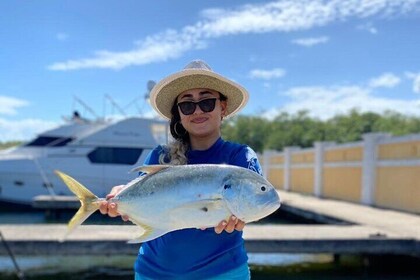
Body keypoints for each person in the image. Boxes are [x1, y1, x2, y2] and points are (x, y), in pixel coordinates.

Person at [99, 60, 263, 279]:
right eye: (187, 105)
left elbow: (254, 203)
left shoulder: (240, 157)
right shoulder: (160, 156)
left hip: (223, 274)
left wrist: (243, 217)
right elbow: (139, 195)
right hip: (154, 274)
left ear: (222, 107)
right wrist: (120, 198)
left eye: (206, 102)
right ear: (179, 113)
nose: (197, 110)